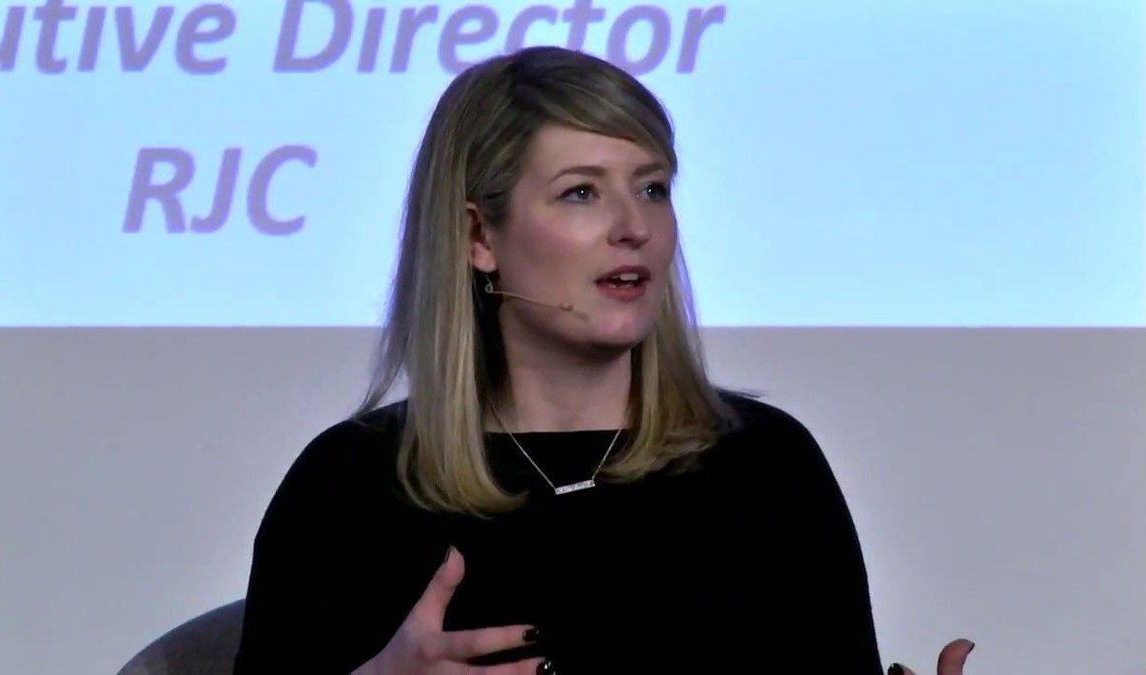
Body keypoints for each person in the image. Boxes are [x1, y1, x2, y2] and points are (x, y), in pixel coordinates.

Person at [232, 46, 973, 674]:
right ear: (478, 237)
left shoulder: (766, 467)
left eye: (652, 188)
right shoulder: (350, 487)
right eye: (581, 192)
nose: (634, 226)